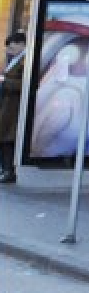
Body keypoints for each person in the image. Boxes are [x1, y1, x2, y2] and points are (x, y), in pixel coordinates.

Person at [0, 31, 26, 182]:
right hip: (7, 105)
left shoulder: (26, 61)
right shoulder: (15, 59)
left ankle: (9, 171)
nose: (9, 50)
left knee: (7, 139)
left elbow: (26, 84)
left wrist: (4, 81)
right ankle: (6, 170)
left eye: (11, 47)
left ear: (22, 44)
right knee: (4, 138)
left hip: (13, 107)